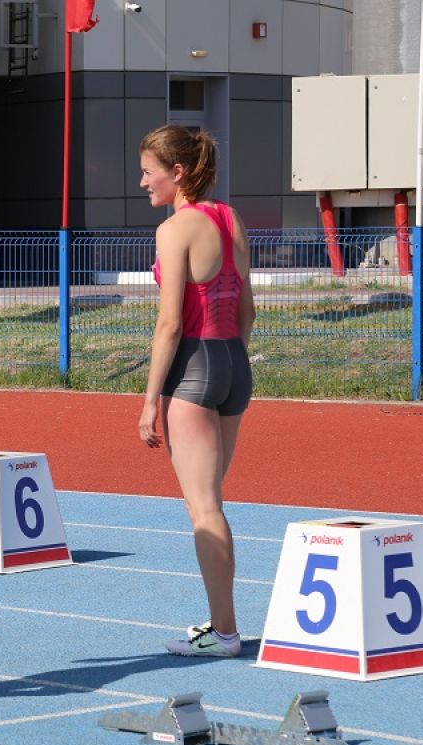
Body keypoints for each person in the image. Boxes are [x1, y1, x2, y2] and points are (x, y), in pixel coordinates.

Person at [136, 125, 255, 658]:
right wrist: (230, 362)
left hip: (194, 368)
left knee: (204, 509)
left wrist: (148, 402)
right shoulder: (230, 219)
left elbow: (168, 324)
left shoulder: (174, 229)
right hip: (233, 364)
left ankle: (225, 633)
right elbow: (247, 308)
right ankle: (220, 624)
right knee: (211, 503)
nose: (143, 183)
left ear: (177, 172)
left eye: (148, 172)